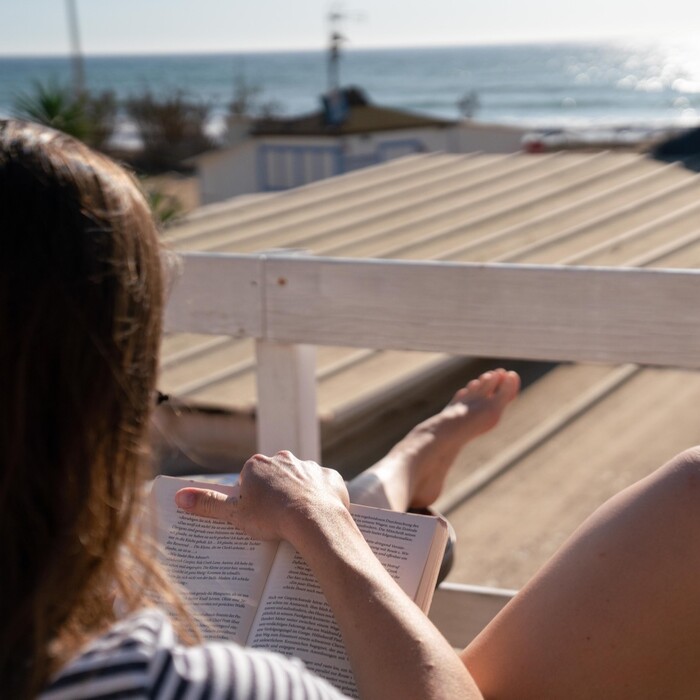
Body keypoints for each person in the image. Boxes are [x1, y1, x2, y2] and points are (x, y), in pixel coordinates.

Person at [4, 118, 700, 700]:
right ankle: (381, 486)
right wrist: (322, 526)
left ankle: (395, 475)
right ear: (100, 409)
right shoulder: (183, 683)